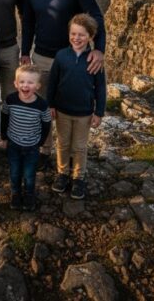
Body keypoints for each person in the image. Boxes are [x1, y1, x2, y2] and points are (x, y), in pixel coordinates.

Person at [46, 14, 106, 200]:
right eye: (73, 34)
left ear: (90, 37)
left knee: (79, 146)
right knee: (63, 143)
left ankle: (78, 177)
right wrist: (50, 105)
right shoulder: (62, 56)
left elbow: (101, 87)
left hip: (84, 113)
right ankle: (63, 173)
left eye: (81, 35)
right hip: (63, 110)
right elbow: (52, 82)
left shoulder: (95, 60)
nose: (76, 38)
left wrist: (99, 112)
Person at [1, 64, 52, 211]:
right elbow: (4, 116)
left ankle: (29, 195)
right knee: (15, 171)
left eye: (30, 82)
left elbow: (46, 124)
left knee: (29, 174)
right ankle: (15, 193)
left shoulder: (42, 105)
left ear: (38, 86)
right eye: (22, 82)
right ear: (16, 84)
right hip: (13, 144)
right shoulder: (10, 100)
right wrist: (4, 135)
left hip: (32, 146)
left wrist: (41, 141)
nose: (25, 85)